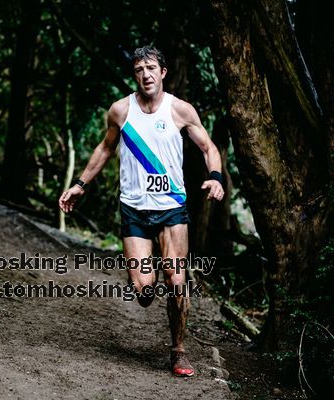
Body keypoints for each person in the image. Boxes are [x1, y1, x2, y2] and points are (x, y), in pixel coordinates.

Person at [58, 46, 224, 377]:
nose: (145, 74)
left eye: (150, 68)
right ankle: (143, 283)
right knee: (143, 290)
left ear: (163, 72)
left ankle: (178, 352)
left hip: (172, 209)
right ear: (134, 75)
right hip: (134, 209)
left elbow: (209, 147)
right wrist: (80, 184)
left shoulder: (180, 110)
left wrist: (215, 178)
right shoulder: (121, 110)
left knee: (177, 281)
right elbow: (105, 148)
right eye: (138, 69)